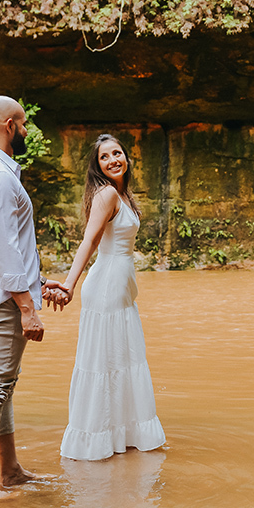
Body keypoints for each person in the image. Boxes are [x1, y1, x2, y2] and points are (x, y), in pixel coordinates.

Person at [0, 95, 68, 499]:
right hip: (5, 299)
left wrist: (37, 285)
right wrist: (26, 306)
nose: (26, 131)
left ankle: (11, 471)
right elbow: (3, 248)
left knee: (3, 384)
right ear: (8, 126)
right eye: (23, 124)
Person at [50, 134, 166, 461]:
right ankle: (94, 440)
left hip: (121, 287)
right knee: (103, 363)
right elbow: (89, 241)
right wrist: (69, 285)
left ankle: (122, 434)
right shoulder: (106, 194)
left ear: (126, 157)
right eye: (105, 156)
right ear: (96, 165)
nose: (113, 159)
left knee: (122, 360)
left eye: (117, 153)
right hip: (106, 287)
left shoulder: (122, 195)